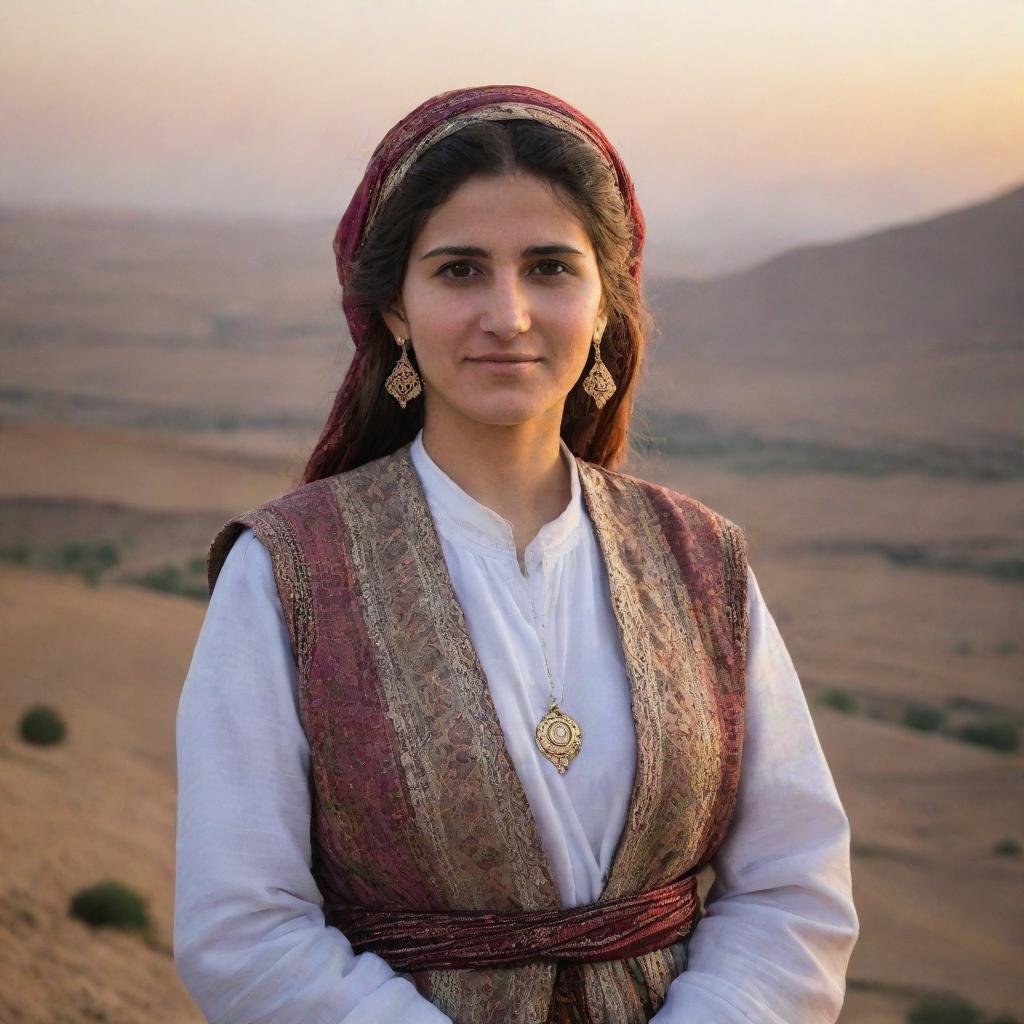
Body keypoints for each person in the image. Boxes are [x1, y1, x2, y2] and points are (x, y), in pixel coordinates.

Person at [173, 84, 859, 1023]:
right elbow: (242, 929)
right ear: (396, 312)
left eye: (549, 268)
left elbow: (792, 886)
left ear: (607, 302)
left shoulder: (703, 562)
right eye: (459, 271)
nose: (510, 313)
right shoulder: (287, 573)